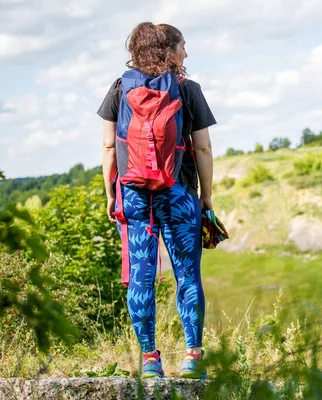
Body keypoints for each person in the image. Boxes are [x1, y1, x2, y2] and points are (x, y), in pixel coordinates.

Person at [97, 22, 216, 379]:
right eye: (182, 46)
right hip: (179, 195)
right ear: (169, 50)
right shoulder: (188, 89)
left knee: (141, 277)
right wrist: (206, 198)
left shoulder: (119, 88)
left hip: (133, 195)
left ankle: (150, 360)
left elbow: (107, 147)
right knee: (187, 276)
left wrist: (110, 194)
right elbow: (205, 148)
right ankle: (193, 357)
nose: (186, 53)